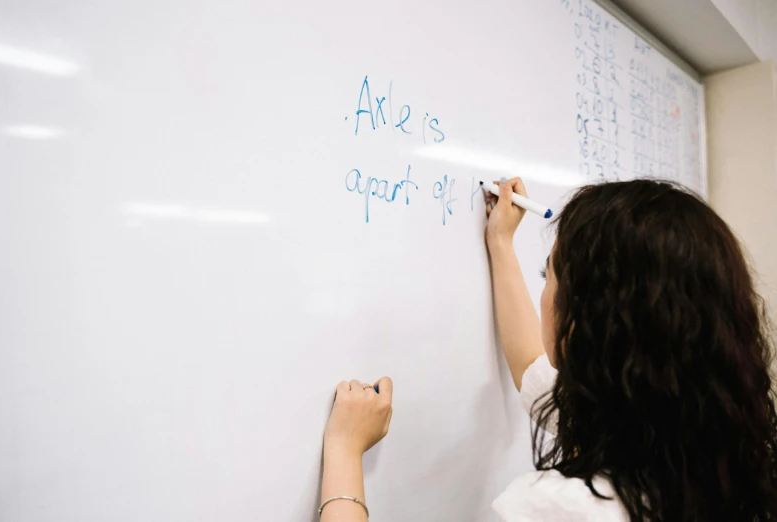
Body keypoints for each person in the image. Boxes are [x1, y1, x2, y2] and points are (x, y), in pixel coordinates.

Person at [318, 178, 777, 521]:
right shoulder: (705, 452)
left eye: (550, 276)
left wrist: (342, 449)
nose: (546, 294)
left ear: (587, 318)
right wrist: (501, 243)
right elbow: (534, 368)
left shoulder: (564, 508)